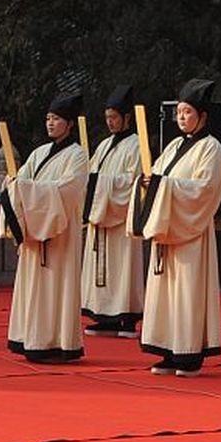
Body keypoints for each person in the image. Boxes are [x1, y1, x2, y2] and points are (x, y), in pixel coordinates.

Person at [134, 79, 221, 377]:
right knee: (165, 293)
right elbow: (156, 175)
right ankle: (167, 347)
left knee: (187, 291)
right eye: (179, 113)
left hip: (190, 233)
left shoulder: (212, 149)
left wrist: (164, 186)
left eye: (188, 112)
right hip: (167, 230)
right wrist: (148, 183)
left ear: (202, 116)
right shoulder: (174, 146)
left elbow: (204, 191)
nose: (182, 118)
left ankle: (188, 352)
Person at [3, 91, 89, 364]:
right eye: (48, 118)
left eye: (57, 119)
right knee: (34, 286)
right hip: (34, 234)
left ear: (70, 124)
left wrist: (25, 190)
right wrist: (14, 184)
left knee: (56, 285)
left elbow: (68, 190)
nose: (50, 124)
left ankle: (56, 342)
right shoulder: (39, 153)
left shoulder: (77, 156)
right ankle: (31, 338)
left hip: (59, 234)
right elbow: (21, 180)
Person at [81, 85, 147, 337]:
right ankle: (103, 314)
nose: (110, 122)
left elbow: (132, 181)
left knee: (123, 267)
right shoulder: (104, 145)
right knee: (101, 266)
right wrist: (93, 183)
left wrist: (101, 184)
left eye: (114, 118)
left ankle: (126, 316)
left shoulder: (136, 146)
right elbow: (91, 174)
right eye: (107, 118)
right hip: (100, 215)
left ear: (126, 118)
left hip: (120, 218)